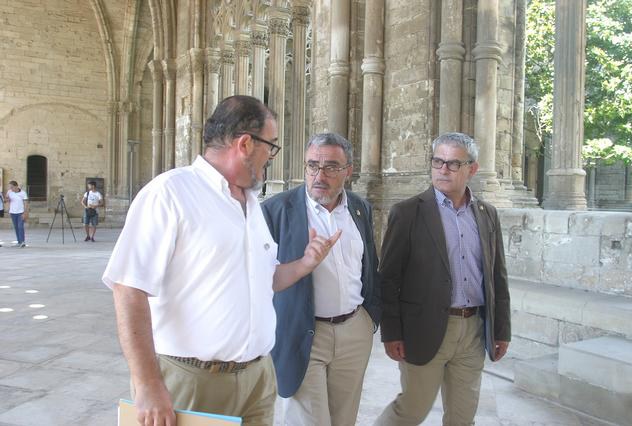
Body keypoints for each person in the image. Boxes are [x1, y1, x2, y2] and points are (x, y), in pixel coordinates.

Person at [102, 95, 341, 426]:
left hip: (257, 379)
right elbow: (129, 289)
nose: (271, 158)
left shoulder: (251, 203)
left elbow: (265, 279)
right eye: (271, 146)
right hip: (193, 381)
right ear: (245, 144)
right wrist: (147, 385)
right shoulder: (169, 193)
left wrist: (305, 263)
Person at [374, 132, 511, 426]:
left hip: (473, 330)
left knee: (463, 417)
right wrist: (391, 332)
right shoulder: (407, 213)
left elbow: (497, 276)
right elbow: (388, 279)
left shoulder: (487, 214)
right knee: (411, 410)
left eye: (453, 163)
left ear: (472, 169)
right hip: (424, 328)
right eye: (438, 161)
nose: (443, 170)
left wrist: (501, 330)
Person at [262, 132, 382, 426]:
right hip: (304, 334)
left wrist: (369, 319)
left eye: (330, 167)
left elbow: (369, 265)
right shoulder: (276, 210)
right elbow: (261, 278)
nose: (319, 175)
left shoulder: (360, 208)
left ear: (348, 171)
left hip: (354, 331)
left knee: (344, 420)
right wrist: (304, 263)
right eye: (312, 165)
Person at [5, 181, 29, 248]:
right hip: (12, 212)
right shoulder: (9, 192)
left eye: (12, 187)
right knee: (16, 227)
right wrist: (7, 198)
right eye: (10, 187)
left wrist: (25, 213)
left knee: (20, 227)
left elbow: (26, 203)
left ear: (16, 186)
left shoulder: (23, 193)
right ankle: (19, 242)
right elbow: (6, 200)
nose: (11, 188)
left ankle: (22, 242)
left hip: (20, 212)